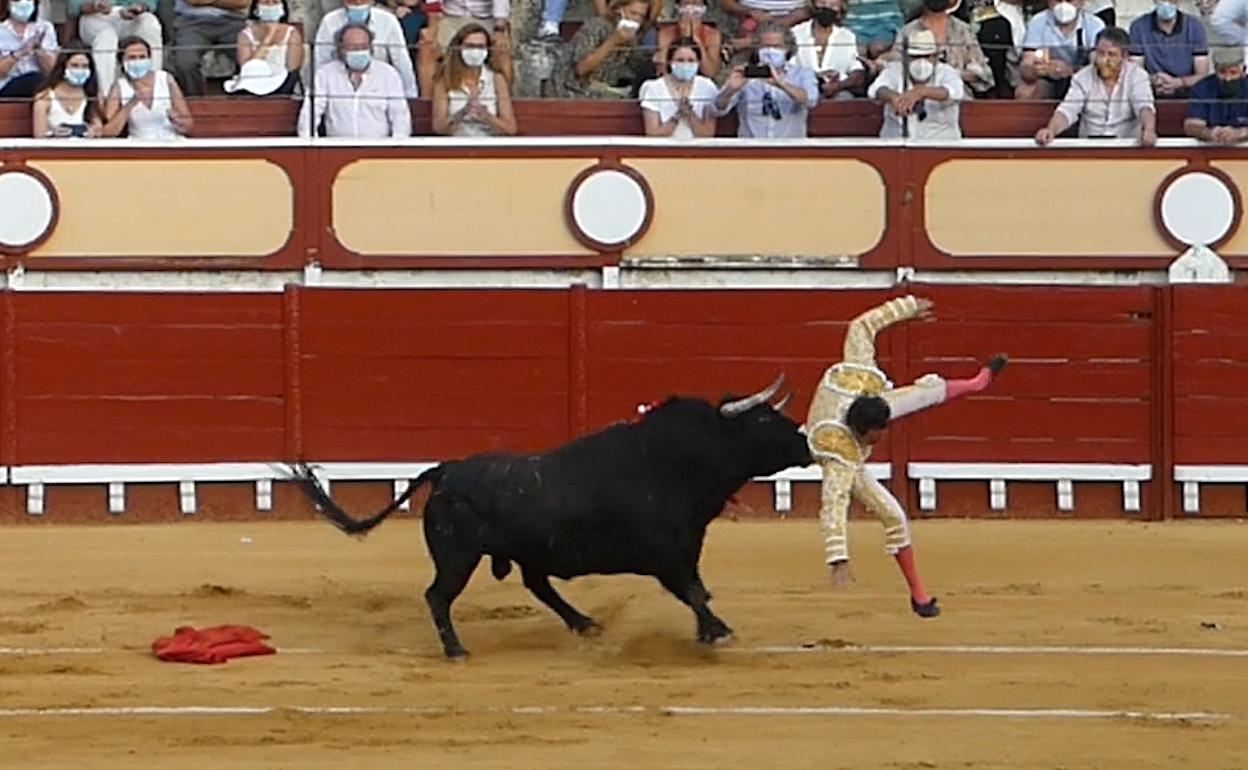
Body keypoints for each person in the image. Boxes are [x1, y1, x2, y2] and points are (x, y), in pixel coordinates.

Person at [805, 295, 1007, 618]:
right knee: (895, 518)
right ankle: (919, 595)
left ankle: (977, 382)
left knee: (924, 392)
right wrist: (838, 558)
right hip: (831, 443)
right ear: (862, 433)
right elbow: (833, 503)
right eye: (877, 435)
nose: (883, 437)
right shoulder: (840, 456)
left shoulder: (859, 376)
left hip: (858, 401)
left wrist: (908, 307)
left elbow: (861, 325)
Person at [1034, 27, 1156, 145]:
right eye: (1101, 53)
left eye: (1111, 54)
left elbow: (1144, 107)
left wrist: (1149, 130)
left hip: (1126, 146)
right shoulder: (1082, 77)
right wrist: (1051, 130)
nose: (1104, 59)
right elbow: (1068, 110)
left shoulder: (1137, 76)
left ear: (1124, 57)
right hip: (1089, 147)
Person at [298, 23, 411, 138]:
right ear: (341, 49)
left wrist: (397, 145)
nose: (358, 51)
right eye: (352, 47)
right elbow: (310, 113)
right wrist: (309, 143)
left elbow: (400, 117)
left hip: (378, 145)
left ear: (371, 48)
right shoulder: (325, 74)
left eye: (363, 47)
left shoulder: (388, 74)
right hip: (337, 146)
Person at [715, 22, 819, 137]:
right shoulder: (744, 74)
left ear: (788, 48)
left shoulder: (802, 74)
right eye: (765, 46)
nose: (770, 51)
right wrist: (730, 90)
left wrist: (781, 84)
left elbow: (811, 100)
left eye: (776, 46)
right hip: (751, 145)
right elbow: (719, 108)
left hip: (789, 145)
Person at [869, 28, 963, 139]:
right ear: (906, 57)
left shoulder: (946, 72)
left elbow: (956, 92)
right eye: (915, 57)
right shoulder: (894, 70)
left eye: (927, 57)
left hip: (940, 141)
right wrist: (893, 97)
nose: (921, 62)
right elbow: (876, 89)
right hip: (895, 140)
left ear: (935, 57)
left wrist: (922, 92)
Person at [430, 22, 515, 136]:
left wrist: (486, 116)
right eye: (470, 46)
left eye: (480, 47)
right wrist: (462, 113)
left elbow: (510, 128)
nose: (475, 51)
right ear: (459, 48)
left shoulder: (497, 79)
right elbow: (438, 127)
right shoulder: (445, 79)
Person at [101, 34, 193, 138]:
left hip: (171, 141)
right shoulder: (119, 87)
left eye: (142, 57)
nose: (137, 61)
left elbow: (189, 125)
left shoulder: (165, 79)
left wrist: (178, 122)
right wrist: (130, 104)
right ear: (122, 62)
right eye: (132, 58)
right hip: (139, 143)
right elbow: (109, 132)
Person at [639, 36, 718, 137]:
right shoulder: (654, 88)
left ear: (698, 62)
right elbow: (652, 134)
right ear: (669, 61)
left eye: (691, 60)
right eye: (680, 60)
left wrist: (690, 115)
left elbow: (707, 135)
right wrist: (677, 116)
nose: (685, 64)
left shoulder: (707, 87)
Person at [224, 0, 303, 96]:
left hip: (281, 81)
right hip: (252, 80)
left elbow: (293, 68)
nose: (270, 5)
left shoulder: (292, 33)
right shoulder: (245, 34)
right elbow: (247, 67)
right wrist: (268, 38)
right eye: (265, 2)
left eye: (275, 2)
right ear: (256, 8)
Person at [32, 45, 103, 137]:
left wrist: (93, 131)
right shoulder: (45, 96)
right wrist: (53, 134)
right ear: (63, 67)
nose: (80, 70)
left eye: (85, 66)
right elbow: (39, 136)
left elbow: (98, 127)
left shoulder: (90, 94)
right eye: (74, 65)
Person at [1184, 43, 1248, 143]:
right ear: (1215, 70)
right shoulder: (1202, 88)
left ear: (1243, 71)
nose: (1227, 78)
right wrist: (1209, 133)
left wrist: (1240, 133)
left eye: (1233, 72)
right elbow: (1191, 125)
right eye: (1222, 72)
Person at [0, 0, 58, 99]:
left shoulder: (45, 27)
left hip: (40, 85)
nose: (23, 2)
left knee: (40, 81)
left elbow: (52, 70)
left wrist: (40, 52)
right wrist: (21, 53)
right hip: (7, 85)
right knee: (35, 80)